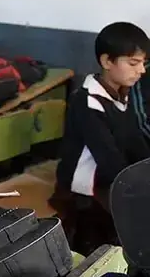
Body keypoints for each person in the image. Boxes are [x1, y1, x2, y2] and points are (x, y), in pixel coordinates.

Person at [52, 22, 150, 254]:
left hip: (109, 180)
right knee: (114, 238)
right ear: (107, 62)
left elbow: (134, 141)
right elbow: (109, 160)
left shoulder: (120, 95)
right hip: (85, 191)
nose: (142, 71)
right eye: (134, 63)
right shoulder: (88, 102)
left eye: (143, 63)